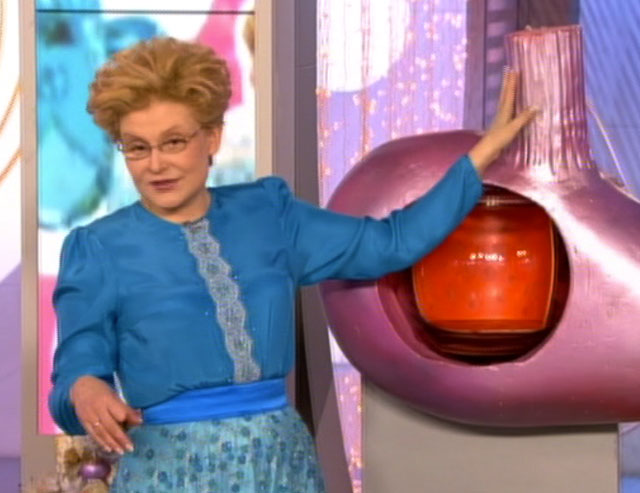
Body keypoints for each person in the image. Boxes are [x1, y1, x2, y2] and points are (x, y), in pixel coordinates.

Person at [48, 36, 536, 492]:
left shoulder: (270, 212)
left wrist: (480, 157)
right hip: (170, 471)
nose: (155, 164)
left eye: (173, 141)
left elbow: (392, 243)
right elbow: (74, 373)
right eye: (137, 147)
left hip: (280, 463)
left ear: (212, 137)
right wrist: (85, 389)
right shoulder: (97, 247)